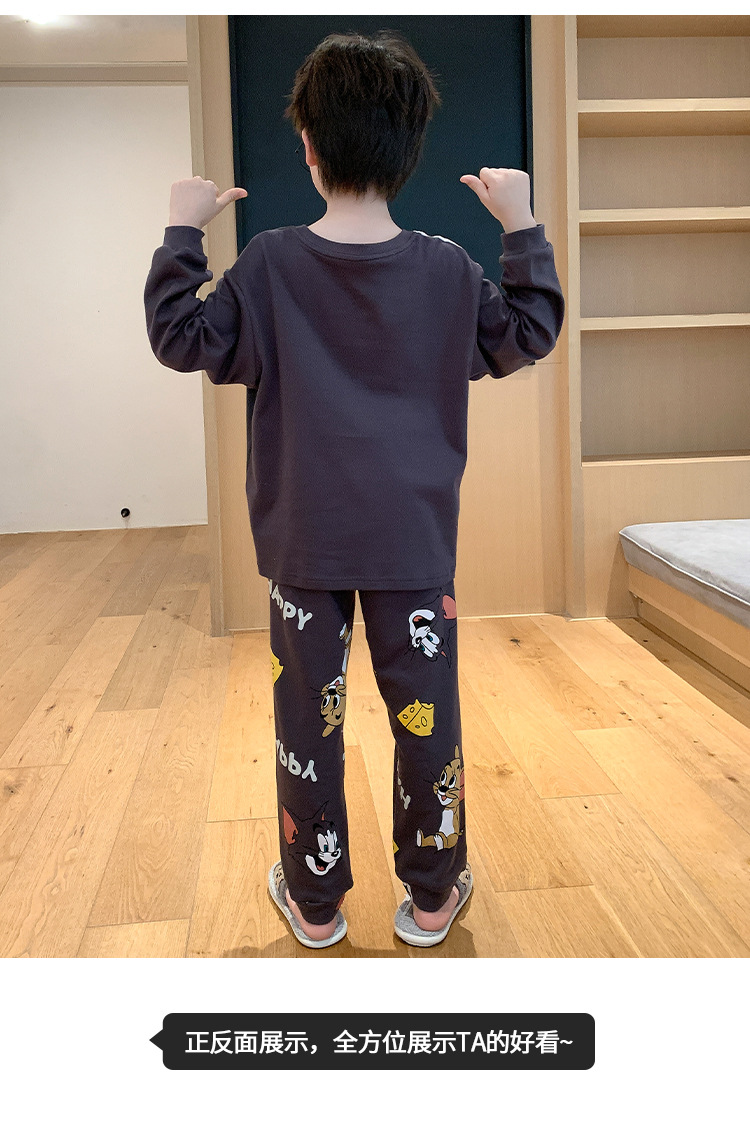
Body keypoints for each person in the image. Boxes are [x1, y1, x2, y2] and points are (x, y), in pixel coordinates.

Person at [144, 29, 565, 949]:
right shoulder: (448, 267)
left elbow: (180, 337)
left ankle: (316, 902)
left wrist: (183, 229)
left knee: (307, 724)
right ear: (411, 150)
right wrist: (521, 225)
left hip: (304, 548)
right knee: (428, 723)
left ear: (307, 145)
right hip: (415, 546)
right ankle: (432, 896)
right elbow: (528, 334)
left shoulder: (267, 264)